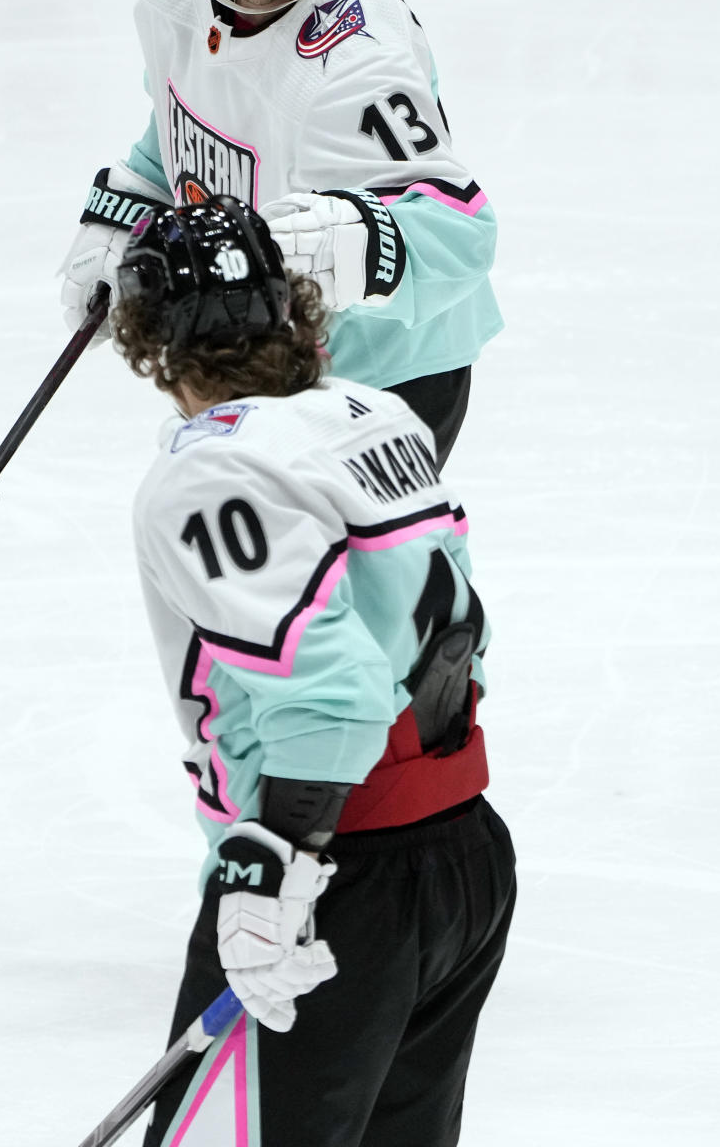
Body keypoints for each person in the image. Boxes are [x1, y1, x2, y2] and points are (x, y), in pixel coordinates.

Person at [110, 196, 516, 1147]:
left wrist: (267, 878)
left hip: (335, 876)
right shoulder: (371, 416)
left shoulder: (216, 469)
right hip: (463, 861)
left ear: (149, 335)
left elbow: (330, 696)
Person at [61, 0, 502, 468]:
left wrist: (331, 245)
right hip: (262, 359)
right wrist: (128, 209)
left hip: (388, 379)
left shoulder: (358, 59)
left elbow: (461, 232)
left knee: (339, 573)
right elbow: (184, 119)